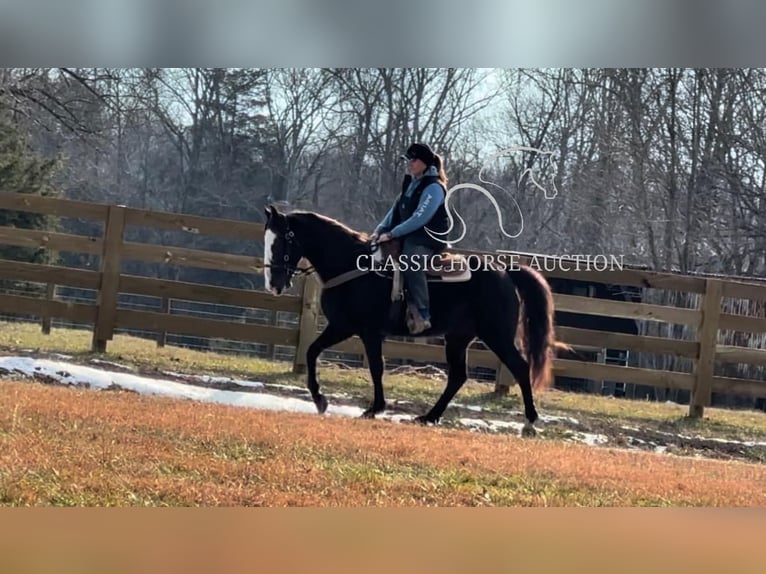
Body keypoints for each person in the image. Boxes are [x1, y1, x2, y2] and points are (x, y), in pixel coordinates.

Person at [370, 142, 450, 334]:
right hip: (409, 235)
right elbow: (395, 210)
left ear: (424, 162)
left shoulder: (434, 188)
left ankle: (423, 313)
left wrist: (392, 234)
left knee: (410, 261)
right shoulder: (411, 184)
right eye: (408, 160)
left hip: (427, 239)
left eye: (413, 160)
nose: (409, 164)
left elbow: (420, 218)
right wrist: (379, 230)